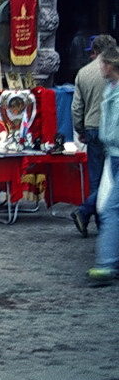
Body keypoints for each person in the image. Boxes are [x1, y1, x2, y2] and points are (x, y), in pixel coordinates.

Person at [72, 34, 117, 237]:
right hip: (113, 130)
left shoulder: (83, 72)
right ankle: (90, 213)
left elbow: (76, 107)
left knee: (97, 178)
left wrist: (80, 129)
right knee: (113, 179)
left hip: (91, 127)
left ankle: (97, 219)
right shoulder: (113, 71)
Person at [88, 46, 119, 286]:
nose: (99, 68)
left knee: (110, 210)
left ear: (110, 65)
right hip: (113, 155)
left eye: (102, 64)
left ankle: (106, 264)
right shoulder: (110, 89)